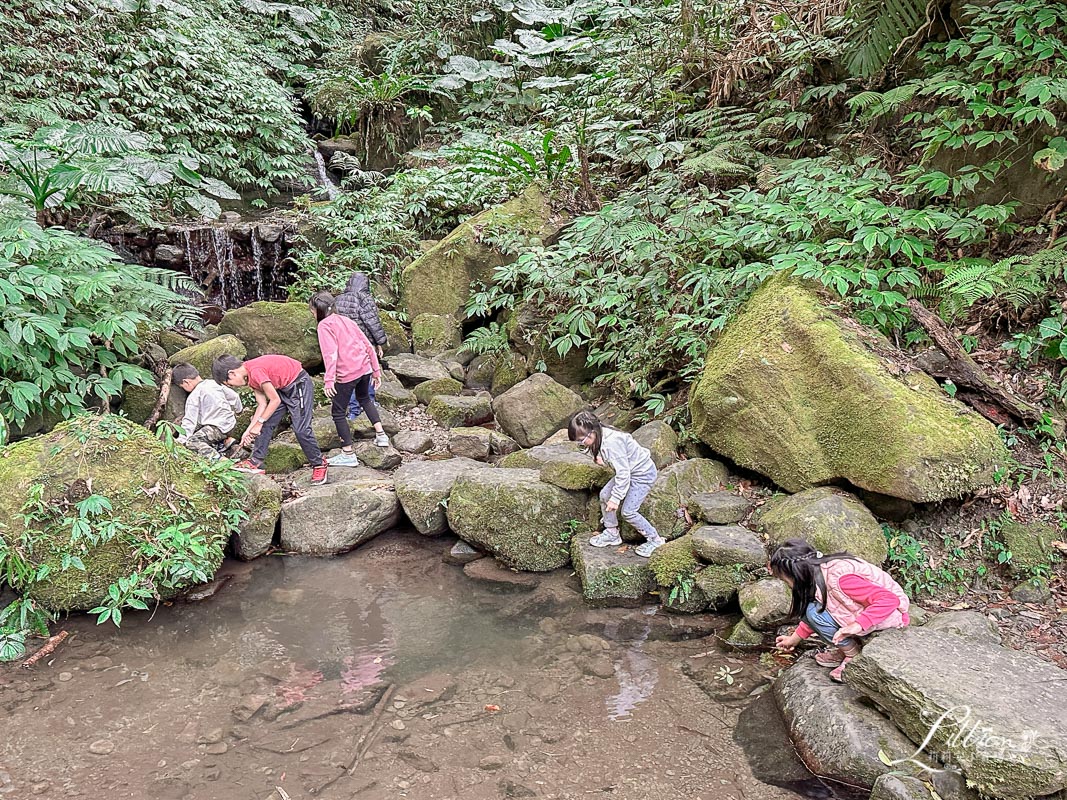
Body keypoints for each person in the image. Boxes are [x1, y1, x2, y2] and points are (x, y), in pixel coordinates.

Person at [771, 538, 911, 682]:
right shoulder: (817, 572)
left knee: (812, 611)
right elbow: (821, 607)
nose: (786, 584)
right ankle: (846, 648)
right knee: (809, 608)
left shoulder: (841, 579)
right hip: (858, 611)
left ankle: (852, 655)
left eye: (785, 579)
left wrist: (857, 625)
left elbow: (889, 600)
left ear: (797, 574)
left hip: (889, 617)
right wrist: (794, 639)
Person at [211, 353, 328, 485]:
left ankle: (319, 464)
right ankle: (255, 461)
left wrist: (258, 423)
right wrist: (249, 431)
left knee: (301, 429)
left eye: (230, 384)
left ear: (232, 374)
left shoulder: (255, 371)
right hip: (281, 389)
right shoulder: (249, 376)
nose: (234, 386)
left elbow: (275, 400)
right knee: (265, 422)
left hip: (298, 384)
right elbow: (262, 405)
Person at [568, 410, 666, 558]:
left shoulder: (612, 443)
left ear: (593, 432)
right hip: (629, 471)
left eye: (582, 440)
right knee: (605, 495)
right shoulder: (599, 437)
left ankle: (655, 540)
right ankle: (612, 532)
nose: (581, 444)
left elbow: (623, 474)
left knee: (628, 512)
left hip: (642, 474)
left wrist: (616, 498)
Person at [310, 290, 389, 467]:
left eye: (312, 311)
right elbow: (368, 345)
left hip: (347, 374)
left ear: (318, 310)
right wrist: (376, 371)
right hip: (364, 368)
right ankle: (381, 435)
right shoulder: (346, 320)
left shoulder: (324, 326)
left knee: (338, 412)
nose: (312, 314)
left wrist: (329, 380)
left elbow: (331, 354)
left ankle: (348, 453)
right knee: (365, 399)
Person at [333, 272, 388, 422]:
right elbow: (372, 322)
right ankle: (369, 403)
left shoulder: (338, 300)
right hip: (363, 342)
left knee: (350, 375)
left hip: (344, 345)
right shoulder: (364, 298)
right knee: (367, 372)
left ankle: (353, 410)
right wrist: (379, 342)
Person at [171, 362, 243, 460]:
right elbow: (235, 396)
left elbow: (189, 421)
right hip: (231, 423)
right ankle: (225, 442)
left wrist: (182, 440)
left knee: (193, 442)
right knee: (202, 429)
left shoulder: (194, 396)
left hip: (217, 428)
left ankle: (219, 460)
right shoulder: (214, 383)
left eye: (182, 386)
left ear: (186, 382)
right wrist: (239, 411)